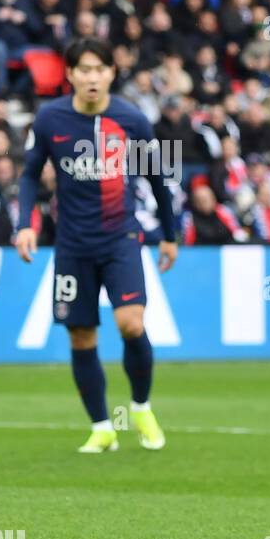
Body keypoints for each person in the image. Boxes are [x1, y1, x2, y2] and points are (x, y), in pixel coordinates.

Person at [15, 38, 179, 454]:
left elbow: (158, 181)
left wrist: (171, 235)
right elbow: (30, 175)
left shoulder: (132, 120)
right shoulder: (50, 120)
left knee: (131, 324)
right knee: (81, 337)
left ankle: (140, 406)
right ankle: (102, 426)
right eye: (83, 69)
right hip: (71, 245)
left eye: (99, 69)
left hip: (120, 238)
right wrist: (25, 224)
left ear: (111, 73)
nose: (91, 77)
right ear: (69, 74)